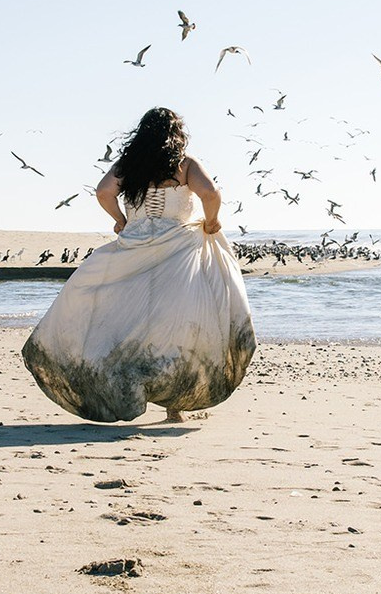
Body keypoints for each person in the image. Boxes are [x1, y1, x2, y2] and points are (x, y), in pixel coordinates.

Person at [23, 107, 254, 422]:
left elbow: (104, 192)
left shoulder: (127, 166)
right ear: (176, 135)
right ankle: (174, 406)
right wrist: (212, 222)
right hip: (178, 252)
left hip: (133, 251)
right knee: (176, 326)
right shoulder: (184, 165)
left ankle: (128, 388)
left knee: (129, 322)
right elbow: (211, 194)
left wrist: (121, 220)